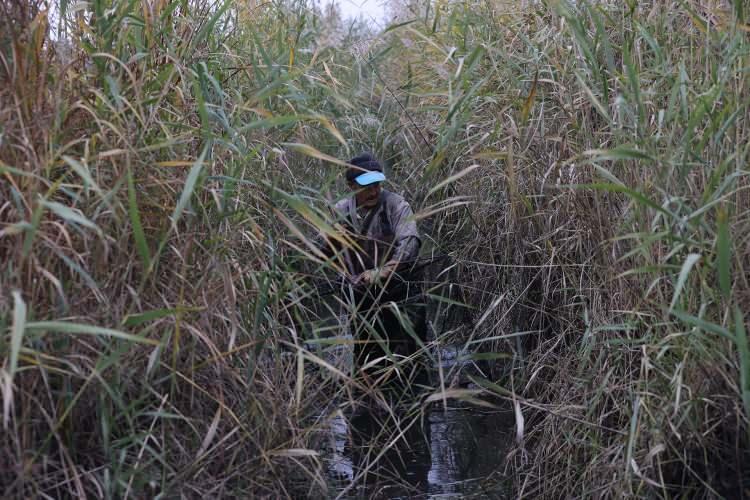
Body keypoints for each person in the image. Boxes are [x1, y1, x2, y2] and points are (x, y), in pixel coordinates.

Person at [318, 153, 427, 386]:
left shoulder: (396, 204)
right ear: (351, 186)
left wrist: (384, 271)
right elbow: (321, 254)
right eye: (366, 186)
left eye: (377, 184)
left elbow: (410, 242)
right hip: (362, 298)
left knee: (412, 360)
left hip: (402, 293)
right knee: (368, 362)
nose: (374, 191)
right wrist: (332, 240)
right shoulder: (339, 211)